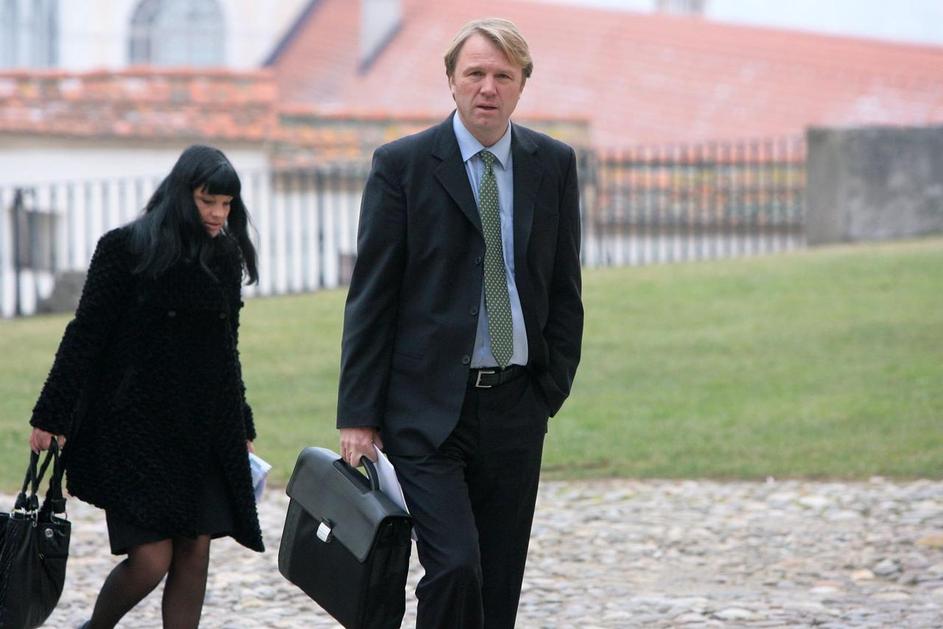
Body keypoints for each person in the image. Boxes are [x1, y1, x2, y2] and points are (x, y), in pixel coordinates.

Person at [337, 17, 583, 628]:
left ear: (522, 84)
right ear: (451, 80)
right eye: (475, 73)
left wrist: (549, 388)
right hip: (424, 410)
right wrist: (358, 415)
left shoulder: (553, 164)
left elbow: (563, 286)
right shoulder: (403, 165)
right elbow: (371, 297)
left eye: (503, 75)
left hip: (516, 406)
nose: (488, 88)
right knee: (454, 567)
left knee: (498, 584)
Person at [28, 145, 263, 629]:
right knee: (151, 559)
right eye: (208, 201)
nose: (219, 214)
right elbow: (85, 334)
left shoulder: (224, 256)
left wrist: (241, 424)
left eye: (226, 204)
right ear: (181, 194)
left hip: (200, 427)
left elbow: (226, 349)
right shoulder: (125, 248)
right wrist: (51, 415)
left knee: (195, 549)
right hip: (130, 427)